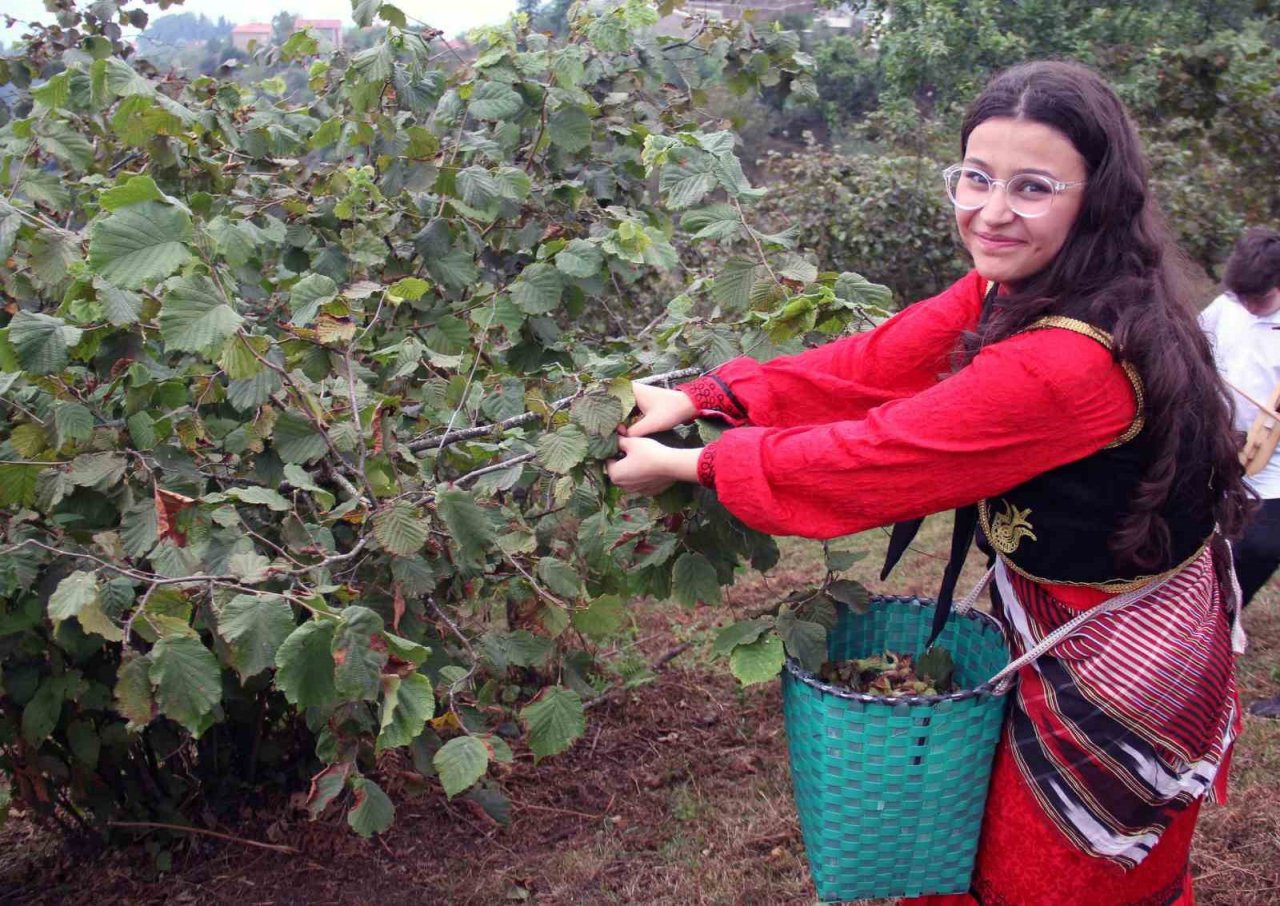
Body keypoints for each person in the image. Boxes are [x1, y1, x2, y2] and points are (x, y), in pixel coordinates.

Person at [606, 61, 1250, 906]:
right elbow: (881, 363)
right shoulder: (1018, 283)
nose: (990, 211)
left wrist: (695, 462)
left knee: (1057, 876)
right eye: (976, 178)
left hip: (1118, 640)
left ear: (1096, 196)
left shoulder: (1069, 360)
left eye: (1033, 187)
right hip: (1065, 603)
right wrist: (709, 395)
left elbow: (886, 454)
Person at [1200, 226, 1280, 719]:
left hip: (1275, 467)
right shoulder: (1223, 307)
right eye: (1242, 296)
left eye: (1261, 298)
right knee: (1210, 548)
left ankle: (1218, 628)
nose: (1248, 307)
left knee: (1260, 546)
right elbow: (1194, 357)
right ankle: (1208, 638)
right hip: (1226, 454)